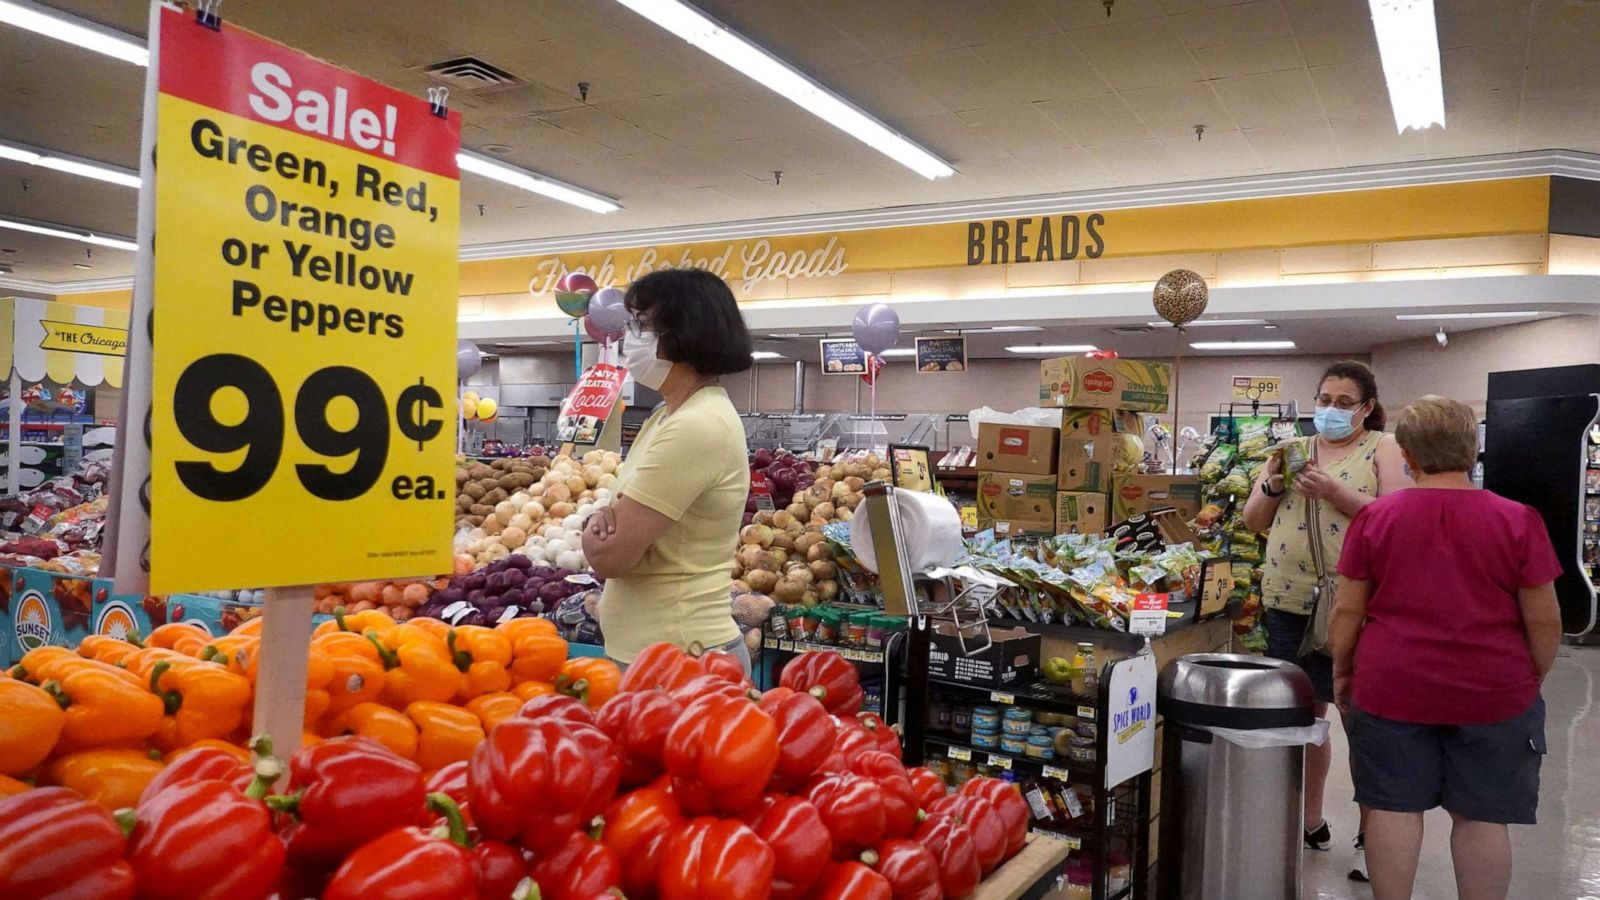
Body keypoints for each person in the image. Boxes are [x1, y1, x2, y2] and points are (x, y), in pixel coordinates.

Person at [1330, 396, 1562, 900]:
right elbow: (1544, 618)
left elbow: (1348, 610)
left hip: (1391, 685)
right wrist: (1529, 678)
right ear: (1473, 447)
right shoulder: (1518, 520)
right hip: (1494, 691)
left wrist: (1343, 670)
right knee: (1481, 817)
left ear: (1406, 454)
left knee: (1392, 808)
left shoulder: (1375, 518)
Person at [1242, 359, 1411, 880]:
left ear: (1366, 408)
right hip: (1289, 600)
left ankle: (1372, 836)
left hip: (1354, 604)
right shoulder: (1294, 449)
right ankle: (1307, 820)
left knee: (1362, 719)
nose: (1330, 411)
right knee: (1302, 719)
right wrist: (1271, 483)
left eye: (1343, 403)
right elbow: (1253, 521)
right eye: (1324, 400)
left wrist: (1334, 492)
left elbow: (1396, 514)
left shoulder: (1381, 447)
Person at [581, 268, 754, 671]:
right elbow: (614, 525)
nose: (629, 336)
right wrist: (601, 521)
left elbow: (609, 557)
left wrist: (594, 529)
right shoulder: (665, 417)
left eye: (641, 324)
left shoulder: (697, 426)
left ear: (684, 332)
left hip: (681, 660)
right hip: (655, 656)